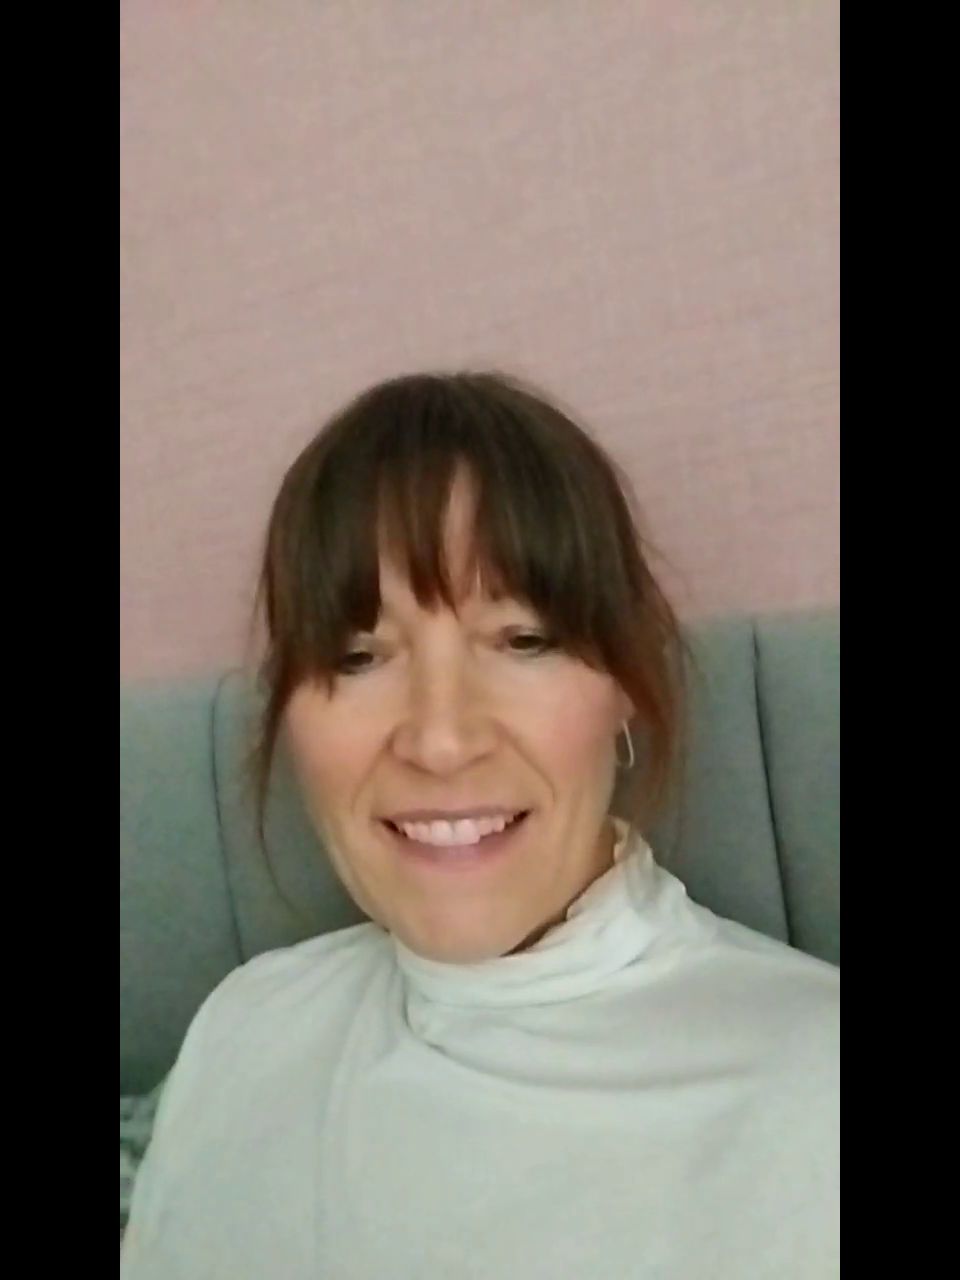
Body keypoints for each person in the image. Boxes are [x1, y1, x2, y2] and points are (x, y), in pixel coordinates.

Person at [122, 372, 839, 1279]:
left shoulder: (814, 1091)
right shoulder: (245, 1029)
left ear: (625, 683)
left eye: (522, 641)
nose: (441, 740)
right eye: (358, 655)